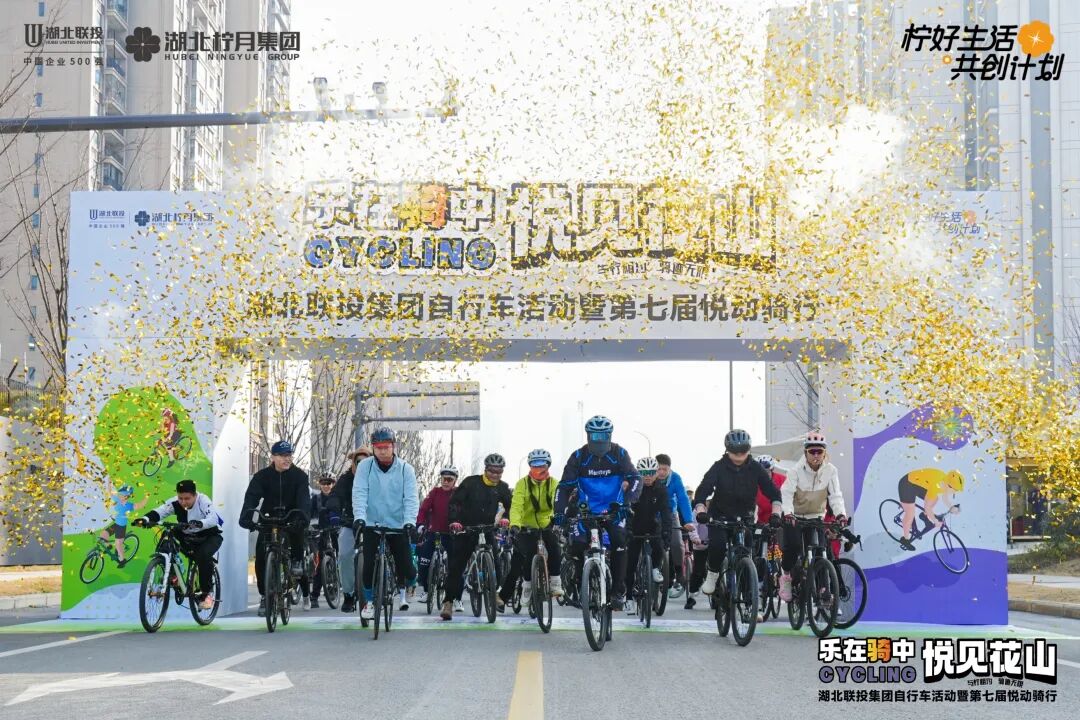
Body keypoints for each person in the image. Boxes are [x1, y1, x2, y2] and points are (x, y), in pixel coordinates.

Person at [554, 415, 640, 611]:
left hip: (614, 510)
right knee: (577, 544)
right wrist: (559, 512)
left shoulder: (619, 453)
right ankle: (580, 580)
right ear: (588, 436)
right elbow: (564, 487)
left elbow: (635, 479)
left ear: (610, 435)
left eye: (603, 436)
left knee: (619, 541)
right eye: (595, 436)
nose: (599, 440)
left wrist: (626, 504)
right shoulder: (578, 457)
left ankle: (618, 591)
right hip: (586, 511)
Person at [693, 429, 782, 597]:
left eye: (743, 451)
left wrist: (776, 513)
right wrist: (701, 509)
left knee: (748, 554)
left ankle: (749, 596)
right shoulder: (719, 467)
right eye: (735, 452)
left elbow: (773, 492)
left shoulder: (755, 468)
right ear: (728, 450)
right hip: (720, 517)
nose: (739, 456)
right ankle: (712, 574)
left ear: (748, 450)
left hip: (745, 518)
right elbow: (703, 490)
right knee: (718, 547)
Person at [351, 427, 419, 621]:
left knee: (407, 568)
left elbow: (411, 498)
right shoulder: (365, 467)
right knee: (368, 563)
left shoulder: (406, 469)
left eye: (386, 447)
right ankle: (369, 602)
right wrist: (359, 517)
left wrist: (409, 521)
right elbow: (360, 492)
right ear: (373, 448)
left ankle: (410, 581)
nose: (382, 451)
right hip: (371, 523)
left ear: (393, 446)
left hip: (397, 524)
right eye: (378, 447)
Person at [238, 439, 311, 617]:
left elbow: (304, 500)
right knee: (261, 556)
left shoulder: (300, 476)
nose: (287, 459)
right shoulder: (262, 476)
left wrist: (303, 517)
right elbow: (251, 498)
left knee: (297, 533)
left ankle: (297, 562)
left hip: (292, 515)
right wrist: (246, 517)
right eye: (282, 455)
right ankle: (265, 596)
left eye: (289, 455)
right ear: (273, 457)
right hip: (269, 517)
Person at [779, 431, 848, 602]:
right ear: (805, 452)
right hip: (795, 516)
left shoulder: (831, 471)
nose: (816, 455)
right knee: (793, 547)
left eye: (819, 451)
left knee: (820, 551)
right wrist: (788, 513)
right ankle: (786, 576)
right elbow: (786, 494)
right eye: (812, 451)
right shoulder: (795, 471)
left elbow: (836, 496)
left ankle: (823, 589)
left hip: (816, 516)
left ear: (825, 453)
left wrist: (840, 514)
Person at [443, 453, 513, 620]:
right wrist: (454, 521)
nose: (495, 475)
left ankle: (495, 593)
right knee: (457, 566)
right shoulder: (471, 482)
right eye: (492, 471)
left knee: (496, 562)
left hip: (488, 529)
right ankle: (448, 602)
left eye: (499, 472)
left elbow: (511, 506)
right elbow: (454, 502)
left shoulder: (503, 487)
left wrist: (506, 518)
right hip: (467, 528)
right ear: (485, 469)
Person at [133, 479, 223, 609]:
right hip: (189, 536)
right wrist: (145, 519)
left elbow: (213, 518)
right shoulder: (175, 502)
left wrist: (200, 523)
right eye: (180, 498)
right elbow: (159, 512)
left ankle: (206, 594)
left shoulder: (203, 501)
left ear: (195, 495)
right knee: (169, 533)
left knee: (203, 556)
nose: (183, 502)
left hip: (210, 536)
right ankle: (172, 572)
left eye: (187, 499)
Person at [497, 449, 562, 611]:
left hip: (546, 524)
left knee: (555, 547)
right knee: (527, 554)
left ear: (548, 466)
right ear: (530, 467)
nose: (538, 469)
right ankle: (527, 585)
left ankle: (555, 581)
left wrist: (558, 518)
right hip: (526, 526)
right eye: (534, 465)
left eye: (542, 465)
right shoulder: (523, 484)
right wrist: (515, 525)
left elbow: (558, 503)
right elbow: (517, 506)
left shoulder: (554, 483)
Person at [624, 457, 672, 614]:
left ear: (656, 473)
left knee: (659, 546)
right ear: (639, 473)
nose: (648, 476)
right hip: (635, 528)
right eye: (644, 473)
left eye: (651, 472)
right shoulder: (634, 488)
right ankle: (629, 598)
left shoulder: (661, 490)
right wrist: (627, 530)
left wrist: (667, 533)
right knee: (630, 563)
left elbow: (666, 512)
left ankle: (655, 568)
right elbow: (626, 510)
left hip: (652, 526)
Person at [333, 445, 371, 613]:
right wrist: (334, 511)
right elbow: (335, 496)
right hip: (350, 522)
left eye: (365, 461)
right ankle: (348, 594)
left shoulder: (378, 477)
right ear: (353, 463)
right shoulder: (346, 479)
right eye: (358, 461)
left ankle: (382, 586)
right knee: (344, 554)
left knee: (382, 552)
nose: (361, 465)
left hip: (373, 523)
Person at [415, 465, 458, 604]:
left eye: (449, 479)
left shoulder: (459, 494)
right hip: (434, 533)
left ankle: (457, 598)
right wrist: (420, 524)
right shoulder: (435, 492)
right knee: (424, 562)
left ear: (455, 481)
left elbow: (466, 512)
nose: (446, 482)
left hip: (452, 534)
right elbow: (423, 509)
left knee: (456, 566)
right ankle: (427, 591)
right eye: (443, 479)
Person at [655, 453, 694, 598]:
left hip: (671, 514)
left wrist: (688, 520)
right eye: (659, 469)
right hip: (653, 514)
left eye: (665, 469)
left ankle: (679, 572)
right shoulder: (649, 477)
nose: (661, 472)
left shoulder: (675, 478)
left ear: (670, 469)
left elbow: (683, 499)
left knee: (677, 543)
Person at [896, 467, 964, 550]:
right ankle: (905, 539)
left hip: (917, 483)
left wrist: (951, 507)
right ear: (949, 486)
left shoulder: (944, 482)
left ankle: (923, 515)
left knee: (935, 498)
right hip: (907, 484)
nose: (955, 492)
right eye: (955, 490)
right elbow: (927, 507)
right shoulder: (937, 485)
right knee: (910, 514)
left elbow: (945, 496)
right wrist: (935, 521)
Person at [309, 475, 343, 609]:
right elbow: (309, 513)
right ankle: (314, 596)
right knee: (320, 563)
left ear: (333, 484)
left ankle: (339, 587)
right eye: (323, 483)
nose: (326, 486)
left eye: (329, 483)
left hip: (337, 531)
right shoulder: (316, 499)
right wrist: (310, 525)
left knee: (341, 558)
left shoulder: (338, 497)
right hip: (321, 532)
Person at [99, 482, 149, 568]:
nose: (119, 495)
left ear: (126, 496)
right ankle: (109, 546)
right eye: (119, 494)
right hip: (116, 524)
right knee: (103, 534)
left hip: (121, 527)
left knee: (118, 544)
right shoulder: (117, 500)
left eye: (121, 495)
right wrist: (109, 483)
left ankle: (122, 560)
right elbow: (110, 493)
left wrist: (146, 497)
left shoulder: (129, 505)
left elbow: (140, 505)